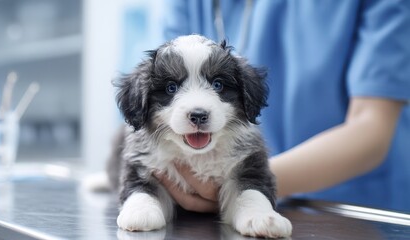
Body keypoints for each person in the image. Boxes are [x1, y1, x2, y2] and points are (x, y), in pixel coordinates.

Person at [155, 0, 410, 213]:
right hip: (226, 205)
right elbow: (162, 95)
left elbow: (370, 127)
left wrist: (244, 184)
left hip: (352, 212)